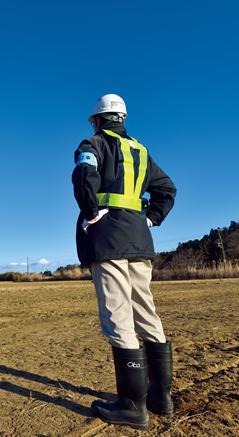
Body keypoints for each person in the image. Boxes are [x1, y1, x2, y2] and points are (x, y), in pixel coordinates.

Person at [72, 94, 177, 430]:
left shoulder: (93, 142)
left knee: (118, 317)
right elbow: (167, 189)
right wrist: (152, 218)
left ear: (97, 120)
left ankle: (133, 406)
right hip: (139, 241)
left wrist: (91, 213)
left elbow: (82, 177)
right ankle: (161, 397)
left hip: (109, 241)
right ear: (123, 118)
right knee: (146, 313)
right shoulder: (142, 151)